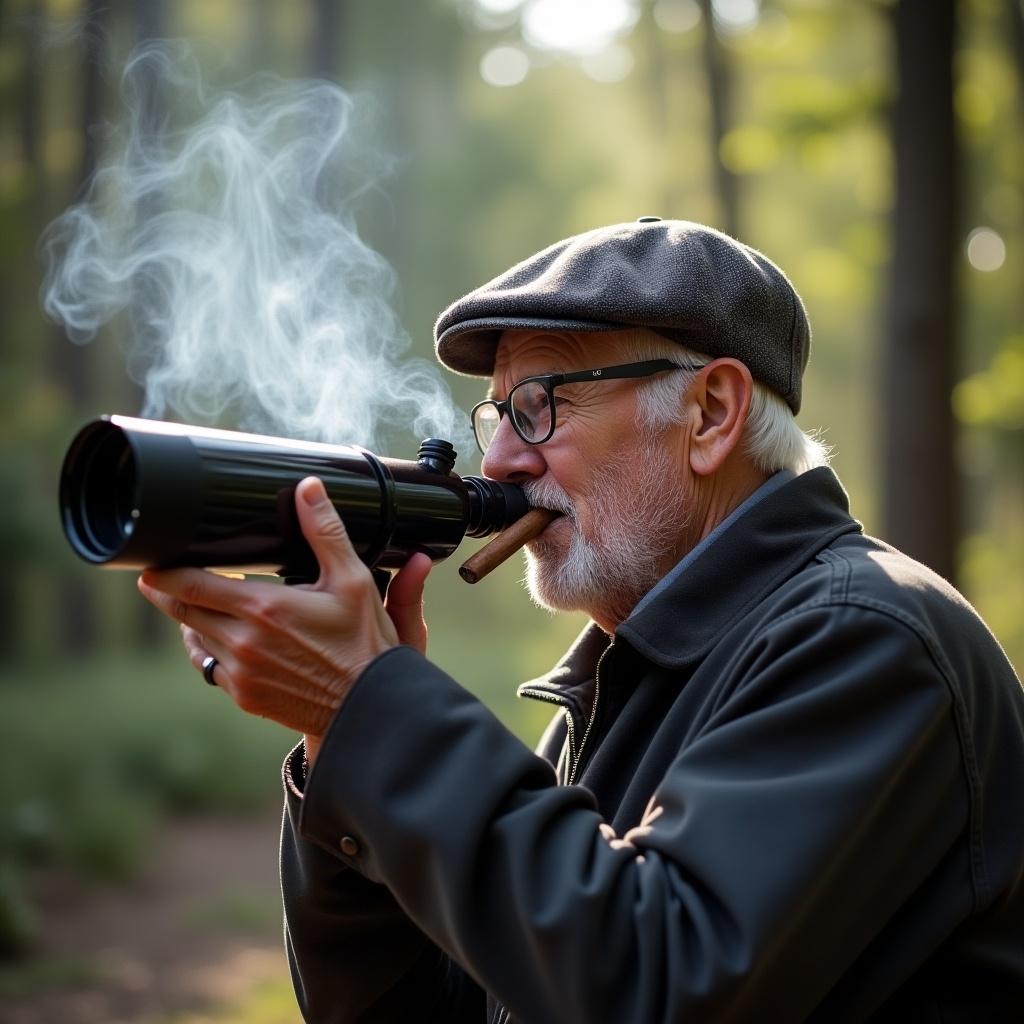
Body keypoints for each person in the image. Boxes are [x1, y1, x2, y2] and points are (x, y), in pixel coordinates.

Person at [138, 219, 1024, 1023]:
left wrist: (375, 709)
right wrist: (347, 750)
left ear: (711, 414)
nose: (500, 459)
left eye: (542, 404)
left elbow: (658, 987)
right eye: (497, 414)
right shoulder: (633, 670)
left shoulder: (865, 635)